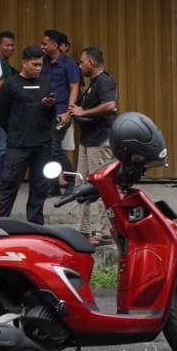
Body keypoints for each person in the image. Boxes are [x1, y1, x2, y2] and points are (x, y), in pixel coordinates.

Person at [0, 44, 57, 223]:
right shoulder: (10, 84)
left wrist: (49, 106)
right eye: (34, 64)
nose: (38, 68)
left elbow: (51, 116)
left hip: (42, 144)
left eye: (40, 64)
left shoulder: (45, 84)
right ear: (24, 63)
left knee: (40, 186)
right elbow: (1, 114)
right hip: (18, 144)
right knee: (9, 184)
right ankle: (1, 223)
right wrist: (14, 131)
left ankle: (36, 225)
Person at [70, 46, 118, 244]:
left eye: (82, 62)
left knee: (101, 185)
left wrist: (84, 112)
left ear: (92, 62)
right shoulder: (93, 84)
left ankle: (104, 232)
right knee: (81, 184)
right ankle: (82, 230)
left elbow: (110, 105)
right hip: (87, 139)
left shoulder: (104, 81)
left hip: (100, 139)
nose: (80, 66)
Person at [40, 29, 80, 189]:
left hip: (60, 114)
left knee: (55, 147)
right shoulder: (43, 62)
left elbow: (74, 87)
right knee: (47, 149)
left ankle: (71, 182)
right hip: (45, 113)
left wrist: (68, 112)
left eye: (45, 43)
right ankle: (53, 186)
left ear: (55, 45)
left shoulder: (69, 63)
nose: (42, 46)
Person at [0, 30, 17, 178]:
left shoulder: (4, 63)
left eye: (12, 45)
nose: (10, 48)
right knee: (2, 148)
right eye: (7, 45)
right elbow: (0, 87)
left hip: (0, 107)